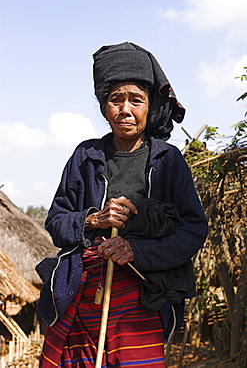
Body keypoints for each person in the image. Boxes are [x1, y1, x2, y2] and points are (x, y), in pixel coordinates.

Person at [37, 42, 208, 368]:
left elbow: (193, 229)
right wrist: (92, 220)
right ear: (104, 107)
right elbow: (56, 221)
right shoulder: (85, 157)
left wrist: (136, 252)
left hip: (142, 294)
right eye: (115, 99)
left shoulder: (167, 161)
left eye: (136, 100)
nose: (125, 109)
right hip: (81, 291)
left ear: (150, 107)